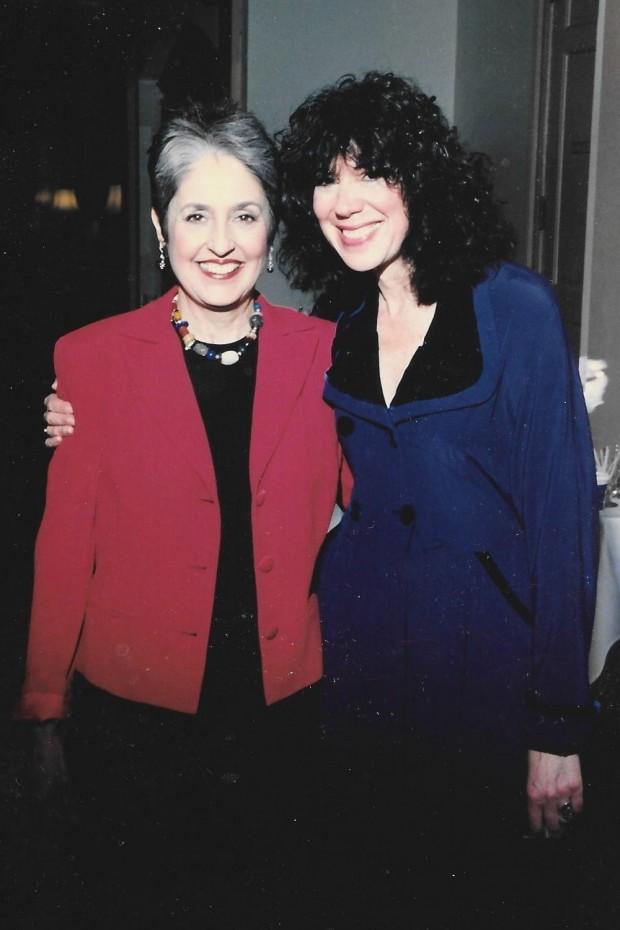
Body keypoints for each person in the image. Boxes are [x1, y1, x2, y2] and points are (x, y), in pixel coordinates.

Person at [275, 71, 598, 925]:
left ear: (420, 179)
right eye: (324, 177)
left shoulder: (514, 307)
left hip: (485, 671)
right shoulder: (334, 316)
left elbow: (565, 528)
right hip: (359, 665)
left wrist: (559, 729)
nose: (343, 201)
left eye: (371, 171)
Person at [20, 100, 340, 929]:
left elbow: (377, 498)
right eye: (196, 214)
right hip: (138, 727)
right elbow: (65, 550)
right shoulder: (90, 360)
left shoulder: (330, 355)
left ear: (275, 226)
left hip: (283, 714)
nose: (221, 241)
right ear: (161, 227)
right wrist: (44, 705)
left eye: (246, 214)